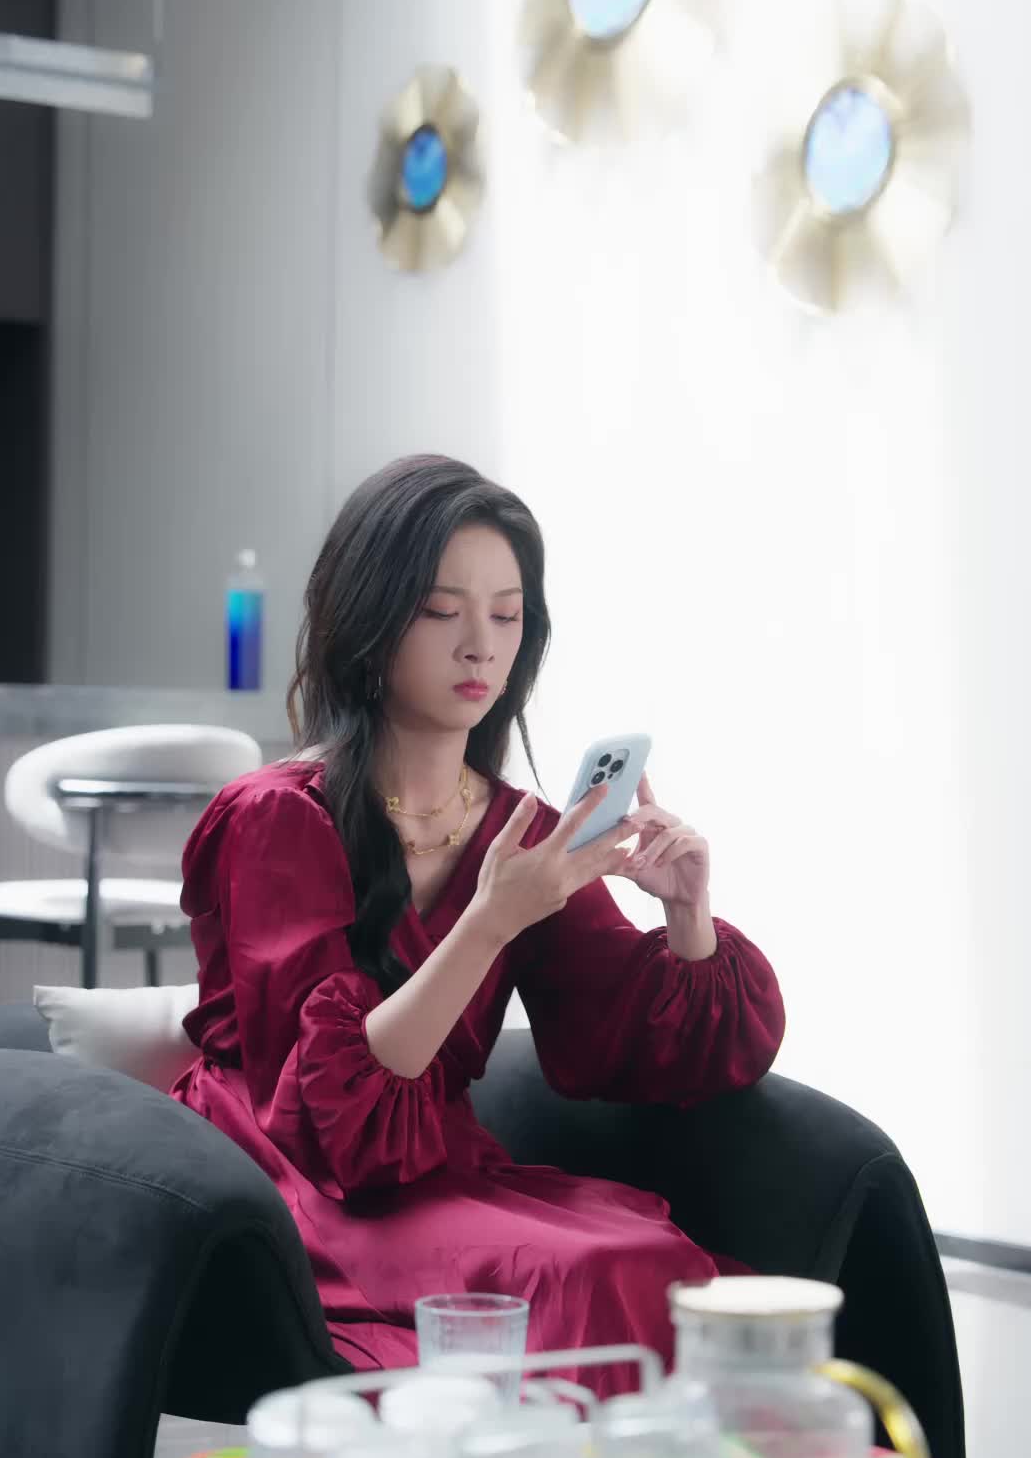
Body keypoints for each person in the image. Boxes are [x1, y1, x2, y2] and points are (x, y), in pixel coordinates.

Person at [172, 455, 785, 1385]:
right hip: (284, 1174)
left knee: (648, 1261)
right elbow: (325, 1118)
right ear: (368, 619)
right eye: (439, 610)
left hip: (432, 1169)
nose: (479, 648)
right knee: (588, 1271)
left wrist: (686, 914)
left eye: (506, 616)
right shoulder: (278, 818)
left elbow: (619, 1038)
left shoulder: (518, 832)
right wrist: (490, 924)